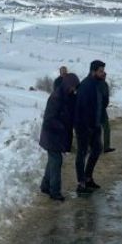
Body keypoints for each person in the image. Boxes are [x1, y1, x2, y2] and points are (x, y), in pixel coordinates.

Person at [38, 72, 80, 202]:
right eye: (72, 86)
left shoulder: (68, 96)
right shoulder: (56, 97)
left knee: (53, 160)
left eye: (75, 87)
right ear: (67, 84)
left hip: (57, 135)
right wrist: (63, 126)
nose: (73, 89)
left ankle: (45, 186)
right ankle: (54, 191)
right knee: (56, 161)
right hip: (52, 135)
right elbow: (49, 119)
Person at [74, 60, 106, 194]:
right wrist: (86, 126)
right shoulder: (86, 85)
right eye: (100, 70)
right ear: (93, 71)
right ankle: (81, 183)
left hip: (95, 125)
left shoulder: (98, 84)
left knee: (97, 149)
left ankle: (88, 177)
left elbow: (102, 103)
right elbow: (82, 108)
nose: (103, 73)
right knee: (82, 153)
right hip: (84, 126)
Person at [99, 78, 115, 153]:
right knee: (95, 129)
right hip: (95, 110)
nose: (104, 76)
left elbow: (106, 96)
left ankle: (106, 147)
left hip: (102, 109)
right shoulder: (94, 83)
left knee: (107, 128)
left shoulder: (105, 84)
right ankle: (96, 147)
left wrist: (105, 104)